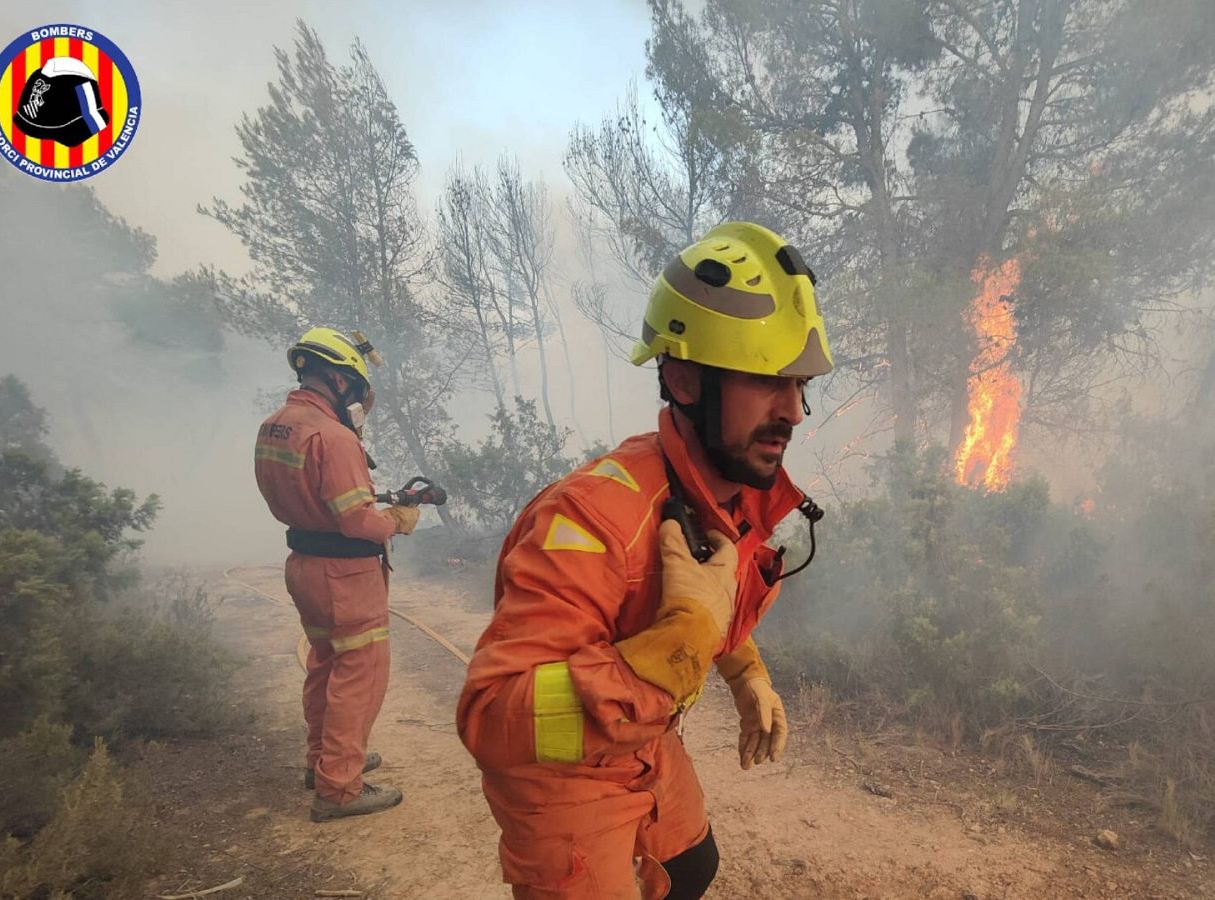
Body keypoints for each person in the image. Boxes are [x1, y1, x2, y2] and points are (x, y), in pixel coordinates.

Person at [457, 221, 833, 898]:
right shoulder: (590, 520)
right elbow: (490, 719)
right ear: (685, 381)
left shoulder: (732, 491)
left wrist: (746, 673)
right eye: (766, 380)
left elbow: (714, 602)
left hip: (643, 739)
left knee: (692, 867)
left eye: (800, 383)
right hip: (561, 783)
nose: (794, 412)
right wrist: (675, 649)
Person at [255, 327, 420, 822]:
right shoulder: (334, 437)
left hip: (304, 565)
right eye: (353, 384)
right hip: (345, 573)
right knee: (359, 673)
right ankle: (340, 787)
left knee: (325, 663)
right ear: (335, 377)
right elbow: (357, 520)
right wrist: (397, 520)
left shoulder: (276, 425)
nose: (357, 395)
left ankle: (322, 762)